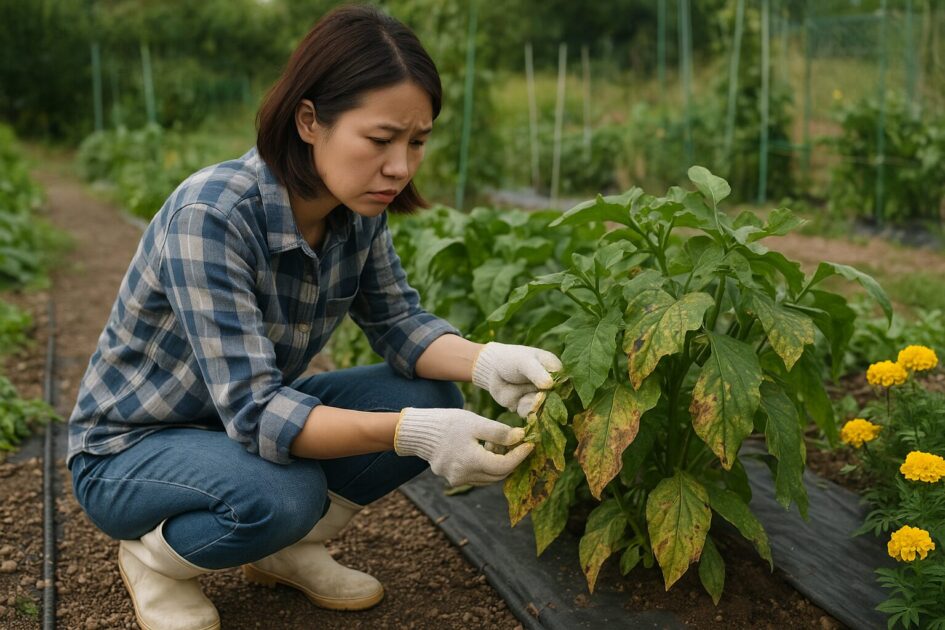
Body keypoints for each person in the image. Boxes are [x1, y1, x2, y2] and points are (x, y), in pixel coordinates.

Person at [66, 5, 563, 630]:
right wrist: (412, 434)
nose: (401, 167)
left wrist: (490, 362)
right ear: (309, 121)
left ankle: (285, 550)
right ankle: (155, 561)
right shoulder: (212, 217)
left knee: (429, 392)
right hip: (130, 451)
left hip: (231, 431)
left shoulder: (356, 211)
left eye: (417, 142)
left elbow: (399, 324)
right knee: (285, 493)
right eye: (380, 140)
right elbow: (255, 411)